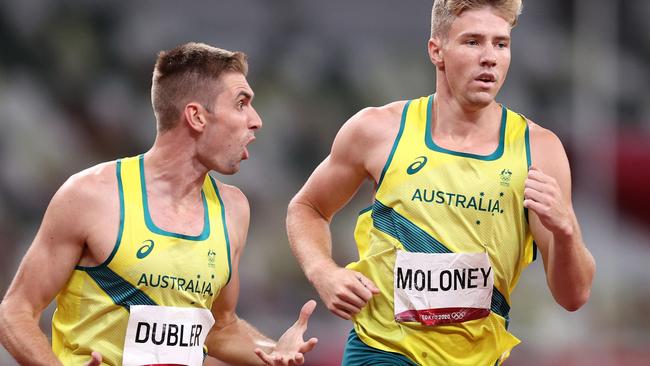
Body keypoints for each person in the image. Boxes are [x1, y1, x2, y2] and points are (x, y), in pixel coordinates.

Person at [286, 0, 596, 364]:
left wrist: (566, 233)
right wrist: (324, 272)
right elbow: (307, 207)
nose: (489, 57)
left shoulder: (539, 151)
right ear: (437, 50)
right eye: (472, 42)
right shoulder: (379, 130)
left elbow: (573, 297)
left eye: (501, 44)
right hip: (382, 350)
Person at [0, 42, 317, 366]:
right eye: (241, 104)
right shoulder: (91, 196)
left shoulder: (233, 208)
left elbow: (220, 327)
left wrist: (274, 351)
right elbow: (15, 312)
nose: (256, 120)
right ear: (196, 116)